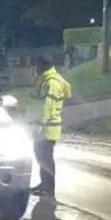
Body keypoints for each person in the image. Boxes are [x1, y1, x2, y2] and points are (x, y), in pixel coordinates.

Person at [30, 58, 72, 196]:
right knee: (41, 156)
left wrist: (41, 124)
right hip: (45, 126)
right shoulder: (46, 80)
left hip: (47, 127)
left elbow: (48, 105)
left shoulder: (52, 82)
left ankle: (48, 186)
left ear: (43, 66)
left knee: (45, 157)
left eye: (37, 65)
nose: (36, 68)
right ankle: (44, 184)